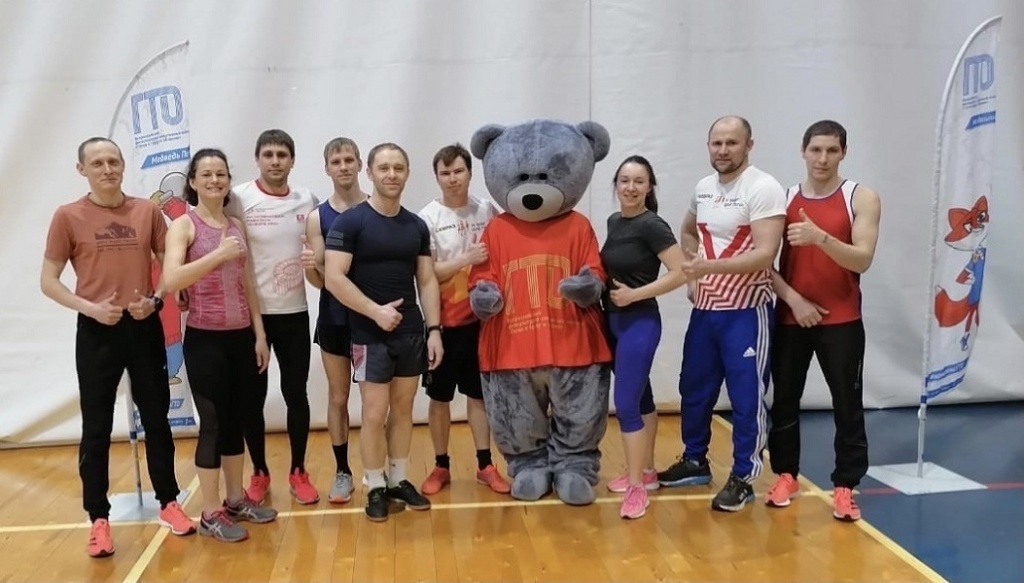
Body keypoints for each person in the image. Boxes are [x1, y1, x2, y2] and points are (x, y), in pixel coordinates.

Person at [40, 137, 196, 558]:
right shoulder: (67, 216)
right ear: (82, 170)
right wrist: (89, 308)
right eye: (97, 163)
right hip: (97, 331)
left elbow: (170, 265)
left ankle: (169, 502)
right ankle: (98, 519)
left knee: (157, 419)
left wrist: (157, 300)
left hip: (142, 327)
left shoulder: (146, 211)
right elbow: (48, 281)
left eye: (113, 161)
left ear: (123, 165)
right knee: (96, 427)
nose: (107, 169)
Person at [658, 116, 786, 512]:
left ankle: (744, 477)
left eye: (732, 142)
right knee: (693, 387)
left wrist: (708, 268)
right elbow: (688, 232)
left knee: (747, 397)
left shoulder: (762, 187)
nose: (723, 150)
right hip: (707, 310)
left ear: (749, 145)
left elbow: (765, 254)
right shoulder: (704, 188)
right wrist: (694, 271)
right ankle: (695, 460)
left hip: (747, 311)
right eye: (717, 143)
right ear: (708, 145)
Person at [765, 120, 881, 521]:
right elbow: (762, 262)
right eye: (816, 150)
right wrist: (794, 301)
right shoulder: (783, 199)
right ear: (803, 151)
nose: (823, 158)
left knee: (847, 404)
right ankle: (785, 475)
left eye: (832, 150)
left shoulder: (861, 197)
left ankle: (845, 485)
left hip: (842, 319)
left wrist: (822, 238)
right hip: (792, 317)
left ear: (844, 153)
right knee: (784, 400)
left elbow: (862, 259)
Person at [162, 148, 279, 541]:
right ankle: (210, 512)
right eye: (207, 174)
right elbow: (172, 281)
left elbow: (247, 284)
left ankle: (234, 499)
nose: (215, 180)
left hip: (241, 337)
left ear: (229, 181)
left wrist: (259, 335)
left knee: (237, 420)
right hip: (205, 340)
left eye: (221, 174)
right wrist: (216, 255)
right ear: (193, 182)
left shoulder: (235, 225)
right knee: (212, 423)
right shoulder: (184, 226)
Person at [324, 142, 443, 522]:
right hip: (368, 335)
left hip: (410, 334)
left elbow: (427, 280)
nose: (392, 174)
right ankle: (375, 485)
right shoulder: (351, 223)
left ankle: (397, 479)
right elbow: (333, 277)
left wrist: (434, 330)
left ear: (407, 173)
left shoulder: (416, 226)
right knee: (375, 414)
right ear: (370, 173)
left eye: (398, 168)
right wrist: (375, 312)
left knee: (404, 409)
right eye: (384, 168)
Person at [225, 129, 320, 505]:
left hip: (295, 313)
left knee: (296, 393)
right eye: (269, 154)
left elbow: (321, 250)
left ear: (292, 160)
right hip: (252, 318)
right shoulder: (239, 199)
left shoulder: (307, 199)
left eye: (282, 154)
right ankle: (260, 472)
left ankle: (298, 470)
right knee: (251, 398)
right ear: (257, 159)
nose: (275, 161)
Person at [416, 143, 510, 496]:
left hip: (481, 323)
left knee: (479, 396)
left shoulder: (487, 210)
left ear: (470, 173)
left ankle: (485, 465)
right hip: (443, 324)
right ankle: (441, 465)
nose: (453, 178)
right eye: (445, 173)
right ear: (436, 177)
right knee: (439, 398)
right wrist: (465, 259)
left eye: (458, 171)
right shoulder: (427, 218)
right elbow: (426, 274)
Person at [600, 155, 687, 519]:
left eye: (639, 181)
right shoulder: (615, 221)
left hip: (640, 322)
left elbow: (682, 271)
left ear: (649, 187)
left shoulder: (653, 225)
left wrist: (636, 295)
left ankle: (636, 488)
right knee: (643, 396)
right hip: (613, 322)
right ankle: (647, 472)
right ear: (616, 185)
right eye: (625, 180)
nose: (631, 187)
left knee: (626, 404)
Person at [299, 137, 369, 503]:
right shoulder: (317, 217)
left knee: (375, 400)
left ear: (360, 164)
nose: (343, 166)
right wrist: (310, 268)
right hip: (335, 318)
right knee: (339, 396)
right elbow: (320, 279)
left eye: (348, 160)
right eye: (336, 161)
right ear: (326, 168)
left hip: (371, 318)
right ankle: (343, 471)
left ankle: (378, 469)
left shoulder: (377, 207)